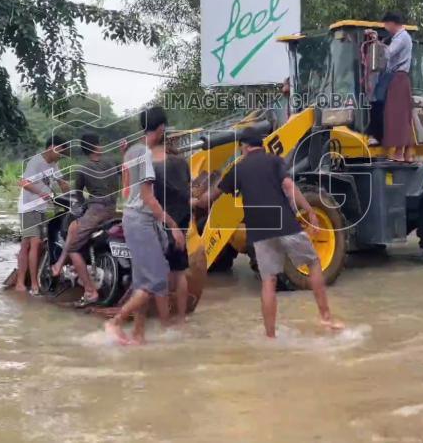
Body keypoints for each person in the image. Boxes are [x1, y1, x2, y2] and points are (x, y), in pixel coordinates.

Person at [195, 126, 343, 338]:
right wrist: (309, 210)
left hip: (259, 231)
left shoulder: (239, 168)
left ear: (244, 147)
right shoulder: (274, 161)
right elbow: (289, 186)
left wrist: (193, 200)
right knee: (313, 263)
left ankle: (270, 335)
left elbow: (210, 198)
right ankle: (326, 317)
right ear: (260, 144)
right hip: (284, 224)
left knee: (269, 281)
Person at [104, 106, 186, 345]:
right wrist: (173, 226)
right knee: (157, 279)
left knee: (142, 281)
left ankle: (138, 335)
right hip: (141, 220)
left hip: (132, 218)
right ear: (161, 129)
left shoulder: (131, 151)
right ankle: (116, 321)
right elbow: (149, 198)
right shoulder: (145, 155)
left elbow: (127, 187)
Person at [50, 132, 119, 307]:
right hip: (113, 210)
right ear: (97, 146)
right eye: (99, 142)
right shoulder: (111, 162)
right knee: (75, 226)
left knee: (73, 247)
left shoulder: (83, 169)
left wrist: (83, 205)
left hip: (96, 212)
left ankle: (90, 291)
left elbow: (78, 194)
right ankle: (63, 266)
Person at [16, 135, 68, 295]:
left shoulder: (54, 164)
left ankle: (20, 282)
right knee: (36, 243)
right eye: (60, 150)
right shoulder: (36, 162)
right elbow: (24, 183)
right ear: (51, 147)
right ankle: (34, 284)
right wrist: (41, 194)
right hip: (29, 206)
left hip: (41, 208)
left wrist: (71, 193)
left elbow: (62, 183)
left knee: (26, 245)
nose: (60, 155)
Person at [151, 136, 191, 325]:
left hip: (164, 220)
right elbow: (187, 188)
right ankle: (182, 318)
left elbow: (152, 199)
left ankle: (164, 321)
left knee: (162, 271)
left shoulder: (155, 166)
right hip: (183, 219)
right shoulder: (183, 163)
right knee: (180, 270)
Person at [381, 11, 415, 162]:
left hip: (398, 77)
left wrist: (376, 44)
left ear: (392, 23)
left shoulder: (402, 37)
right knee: (403, 116)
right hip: (399, 78)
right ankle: (406, 153)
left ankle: (399, 153)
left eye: (386, 24)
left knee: (398, 116)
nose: (386, 28)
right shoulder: (399, 37)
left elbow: (388, 53)